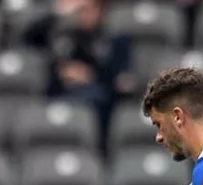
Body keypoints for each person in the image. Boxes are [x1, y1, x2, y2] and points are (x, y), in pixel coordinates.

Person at [22, 0, 135, 149]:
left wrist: (90, 76)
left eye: (91, 9)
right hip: (61, 96)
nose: (86, 15)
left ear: (101, 12)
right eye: (82, 10)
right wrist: (58, 13)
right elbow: (28, 37)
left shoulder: (115, 41)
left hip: (98, 102)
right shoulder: (63, 36)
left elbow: (119, 81)